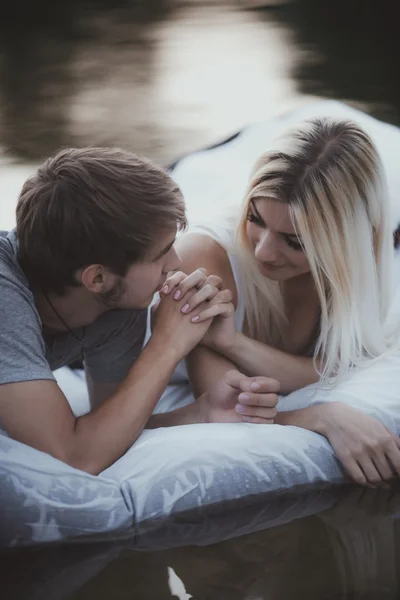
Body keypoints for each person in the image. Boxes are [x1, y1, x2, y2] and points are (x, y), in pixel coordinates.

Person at [0, 147, 279, 475]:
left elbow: (107, 428)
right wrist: (166, 344)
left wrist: (202, 412)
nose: (175, 263)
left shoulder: (118, 304)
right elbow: (74, 456)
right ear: (97, 277)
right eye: (161, 254)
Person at [167, 117, 400, 485]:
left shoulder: (356, 261)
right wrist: (321, 416)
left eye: (295, 242)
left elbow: (327, 364)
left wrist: (233, 343)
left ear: (342, 243)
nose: (263, 251)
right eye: (254, 218)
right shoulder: (204, 260)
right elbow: (222, 411)